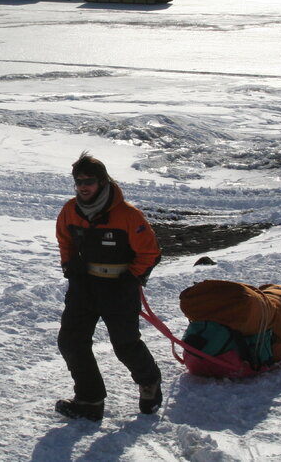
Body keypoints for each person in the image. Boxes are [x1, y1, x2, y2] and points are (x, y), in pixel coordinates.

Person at [54, 152, 162, 422]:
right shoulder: (70, 210)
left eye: (89, 181)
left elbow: (150, 253)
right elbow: (64, 239)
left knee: (125, 345)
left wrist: (130, 279)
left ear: (102, 182)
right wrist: (70, 266)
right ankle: (90, 401)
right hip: (84, 287)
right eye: (78, 181)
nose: (82, 186)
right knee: (71, 342)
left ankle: (149, 383)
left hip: (119, 288)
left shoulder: (127, 215)